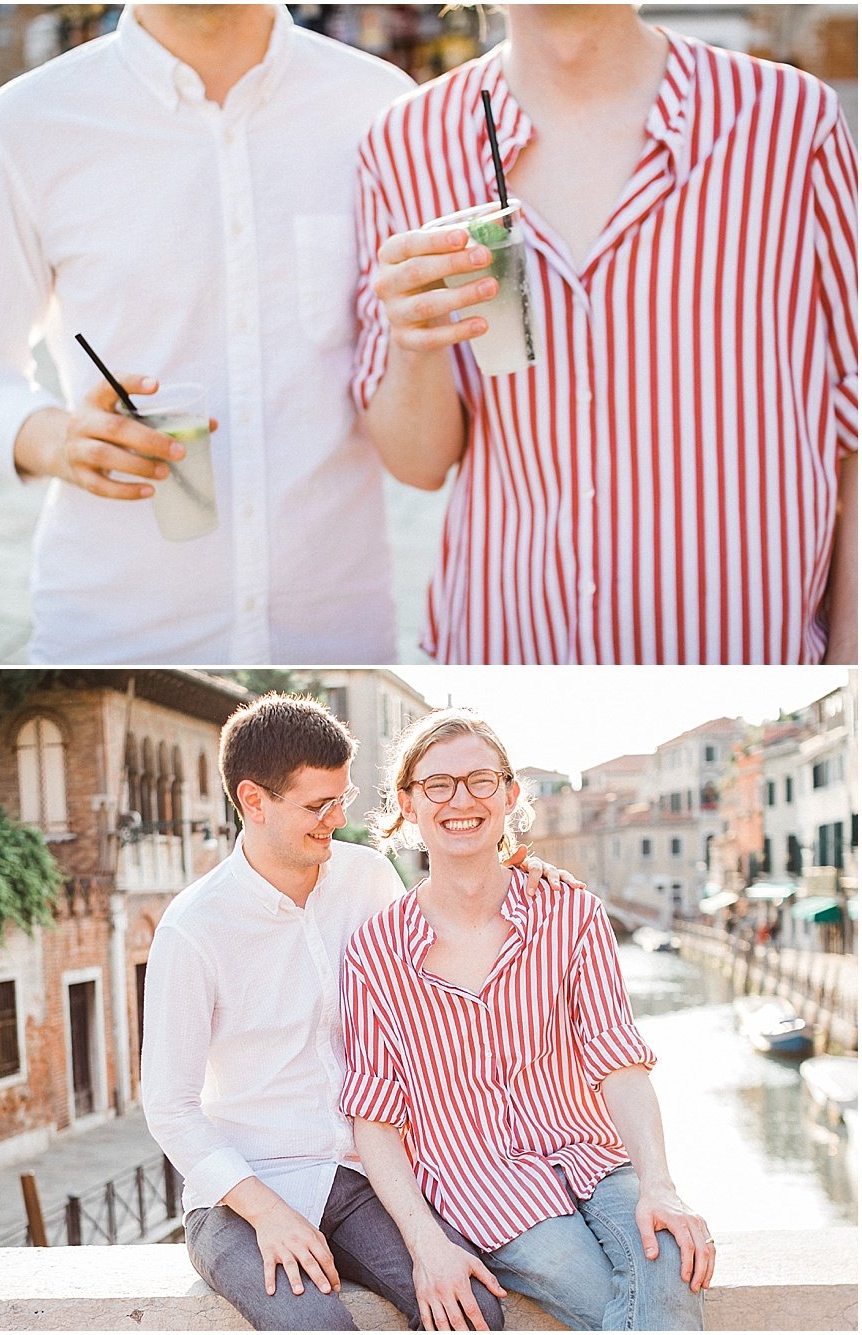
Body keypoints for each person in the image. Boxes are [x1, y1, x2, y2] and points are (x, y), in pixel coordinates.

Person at [354, 3, 858, 666]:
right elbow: (417, 464)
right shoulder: (405, 144)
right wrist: (414, 342)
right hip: (506, 650)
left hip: (750, 651)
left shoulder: (791, 123)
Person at [0, 5, 412, 664]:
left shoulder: (385, 112)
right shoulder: (24, 127)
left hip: (338, 621)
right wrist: (56, 439)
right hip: (112, 631)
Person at [142, 694, 581, 1331]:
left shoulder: (369, 878)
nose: (337, 819)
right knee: (317, 1325)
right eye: (317, 805)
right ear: (254, 801)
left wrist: (510, 873)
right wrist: (268, 1214)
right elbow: (169, 1106)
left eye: (342, 798)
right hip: (241, 1194)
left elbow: (444, 955)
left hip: (361, 1176)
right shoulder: (192, 929)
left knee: (472, 1311)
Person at [341, 708, 712, 1331]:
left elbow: (619, 1061)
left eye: (480, 780)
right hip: (483, 1189)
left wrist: (659, 1184)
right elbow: (375, 1122)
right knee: (609, 1299)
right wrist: (427, 1245)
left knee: (672, 1257)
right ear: (407, 803)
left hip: (596, 1158)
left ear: (509, 795)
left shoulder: (572, 915)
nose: (462, 800)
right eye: (437, 785)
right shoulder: (375, 952)